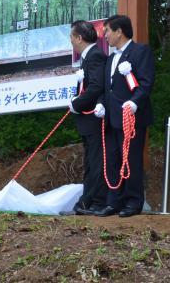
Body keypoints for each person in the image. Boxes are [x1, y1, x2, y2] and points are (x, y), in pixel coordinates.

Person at [91, 15, 155, 217]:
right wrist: (101, 104)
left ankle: (133, 202)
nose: (105, 35)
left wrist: (135, 102)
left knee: (131, 160)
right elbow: (106, 88)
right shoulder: (111, 58)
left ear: (119, 31)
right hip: (110, 119)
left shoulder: (140, 51)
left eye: (108, 31)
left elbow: (146, 82)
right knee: (112, 160)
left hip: (131, 118)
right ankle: (114, 202)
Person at [68, 20, 108, 215]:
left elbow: (96, 87)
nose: (71, 41)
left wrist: (76, 104)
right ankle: (88, 200)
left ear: (79, 38)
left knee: (96, 160)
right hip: (88, 121)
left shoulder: (95, 56)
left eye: (71, 36)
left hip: (95, 119)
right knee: (90, 160)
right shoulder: (89, 57)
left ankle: (96, 202)